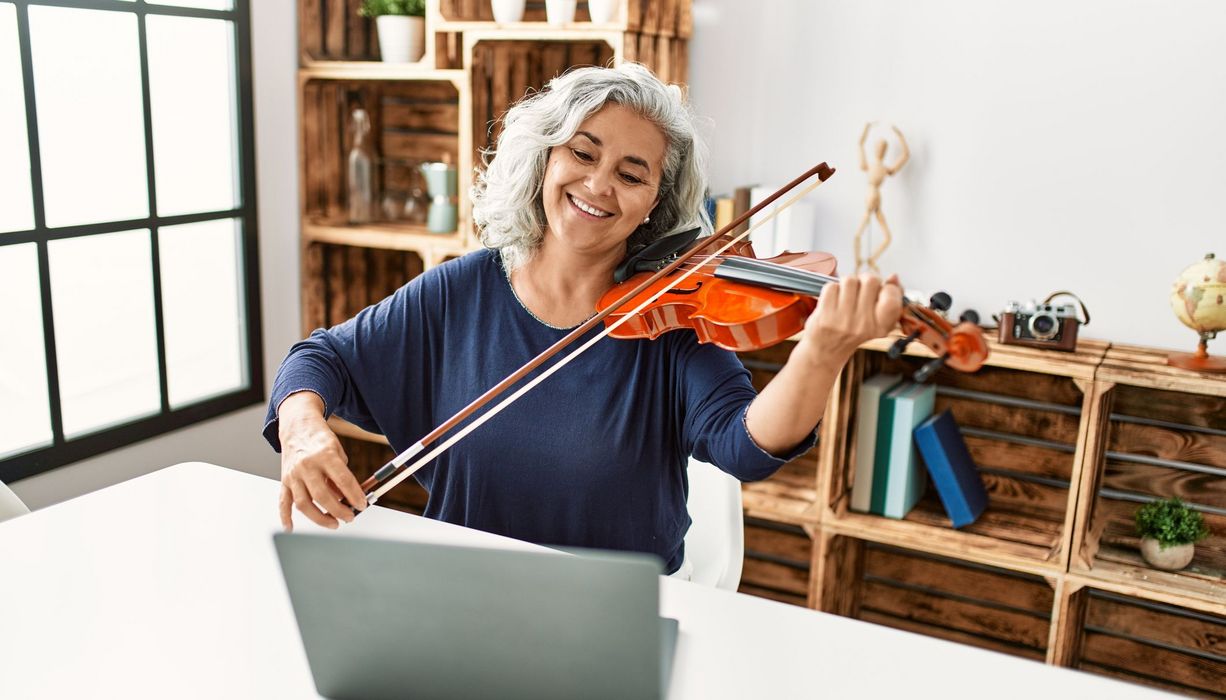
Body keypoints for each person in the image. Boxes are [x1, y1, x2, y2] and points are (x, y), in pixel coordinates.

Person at [264, 63, 902, 575]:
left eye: (631, 173)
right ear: (545, 158)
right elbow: (318, 360)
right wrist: (303, 432)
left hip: (612, 619)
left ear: (654, 204)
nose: (599, 185)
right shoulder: (462, 290)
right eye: (583, 153)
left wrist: (820, 351)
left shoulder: (672, 321)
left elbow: (747, 446)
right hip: (463, 593)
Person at [852, 122, 910, 273]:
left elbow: (905, 156)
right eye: (879, 147)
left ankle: (871, 260)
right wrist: (867, 128)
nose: (881, 150)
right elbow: (860, 144)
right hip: (871, 199)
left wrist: (900, 136)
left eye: (884, 148)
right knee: (858, 234)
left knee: (887, 237)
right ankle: (858, 263)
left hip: (877, 202)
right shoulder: (870, 166)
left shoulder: (885, 169)